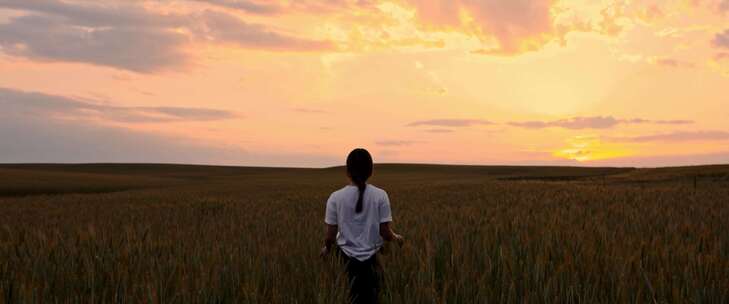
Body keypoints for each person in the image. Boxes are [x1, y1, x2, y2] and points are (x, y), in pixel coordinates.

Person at [320, 148, 404, 304]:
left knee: (347, 297)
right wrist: (397, 237)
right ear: (370, 171)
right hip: (373, 261)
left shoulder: (335, 198)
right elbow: (385, 233)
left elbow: (330, 237)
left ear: (347, 171)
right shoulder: (380, 195)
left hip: (345, 261)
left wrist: (327, 250)